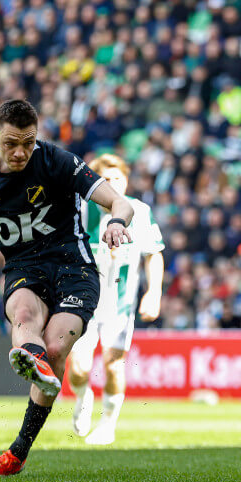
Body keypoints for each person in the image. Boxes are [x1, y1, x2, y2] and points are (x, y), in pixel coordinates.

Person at [0, 99, 134, 477]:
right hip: (24, 269)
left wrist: (116, 222)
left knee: (56, 347)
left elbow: (119, 202)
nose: (20, 152)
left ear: (37, 137)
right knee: (23, 314)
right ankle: (35, 363)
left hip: (74, 267)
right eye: (10, 144)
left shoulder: (58, 161)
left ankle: (19, 446)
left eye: (28, 143)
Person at [68, 153, 165, 445]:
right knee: (79, 368)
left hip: (120, 301)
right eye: (105, 179)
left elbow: (154, 254)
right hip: (83, 299)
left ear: (126, 181)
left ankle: (107, 425)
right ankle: (83, 396)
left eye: (117, 178)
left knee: (114, 364)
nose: (112, 184)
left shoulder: (139, 211)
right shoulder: (80, 209)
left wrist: (154, 292)